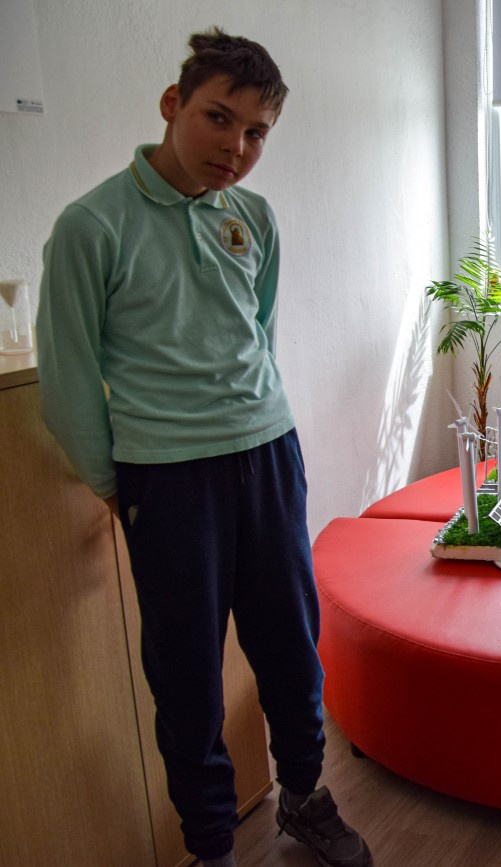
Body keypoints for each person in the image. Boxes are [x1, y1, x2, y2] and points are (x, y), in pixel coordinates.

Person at [35, 29, 371, 867]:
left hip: (269, 454)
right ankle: (213, 845)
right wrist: (113, 482)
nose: (236, 147)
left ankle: (303, 796)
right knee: (187, 678)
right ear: (172, 104)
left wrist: (261, 421)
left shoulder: (251, 217)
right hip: (168, 479)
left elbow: (258, 333)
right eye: (219, 118)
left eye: (257, 132)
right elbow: (67, 378)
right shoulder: (90, 226)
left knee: (291, 648)